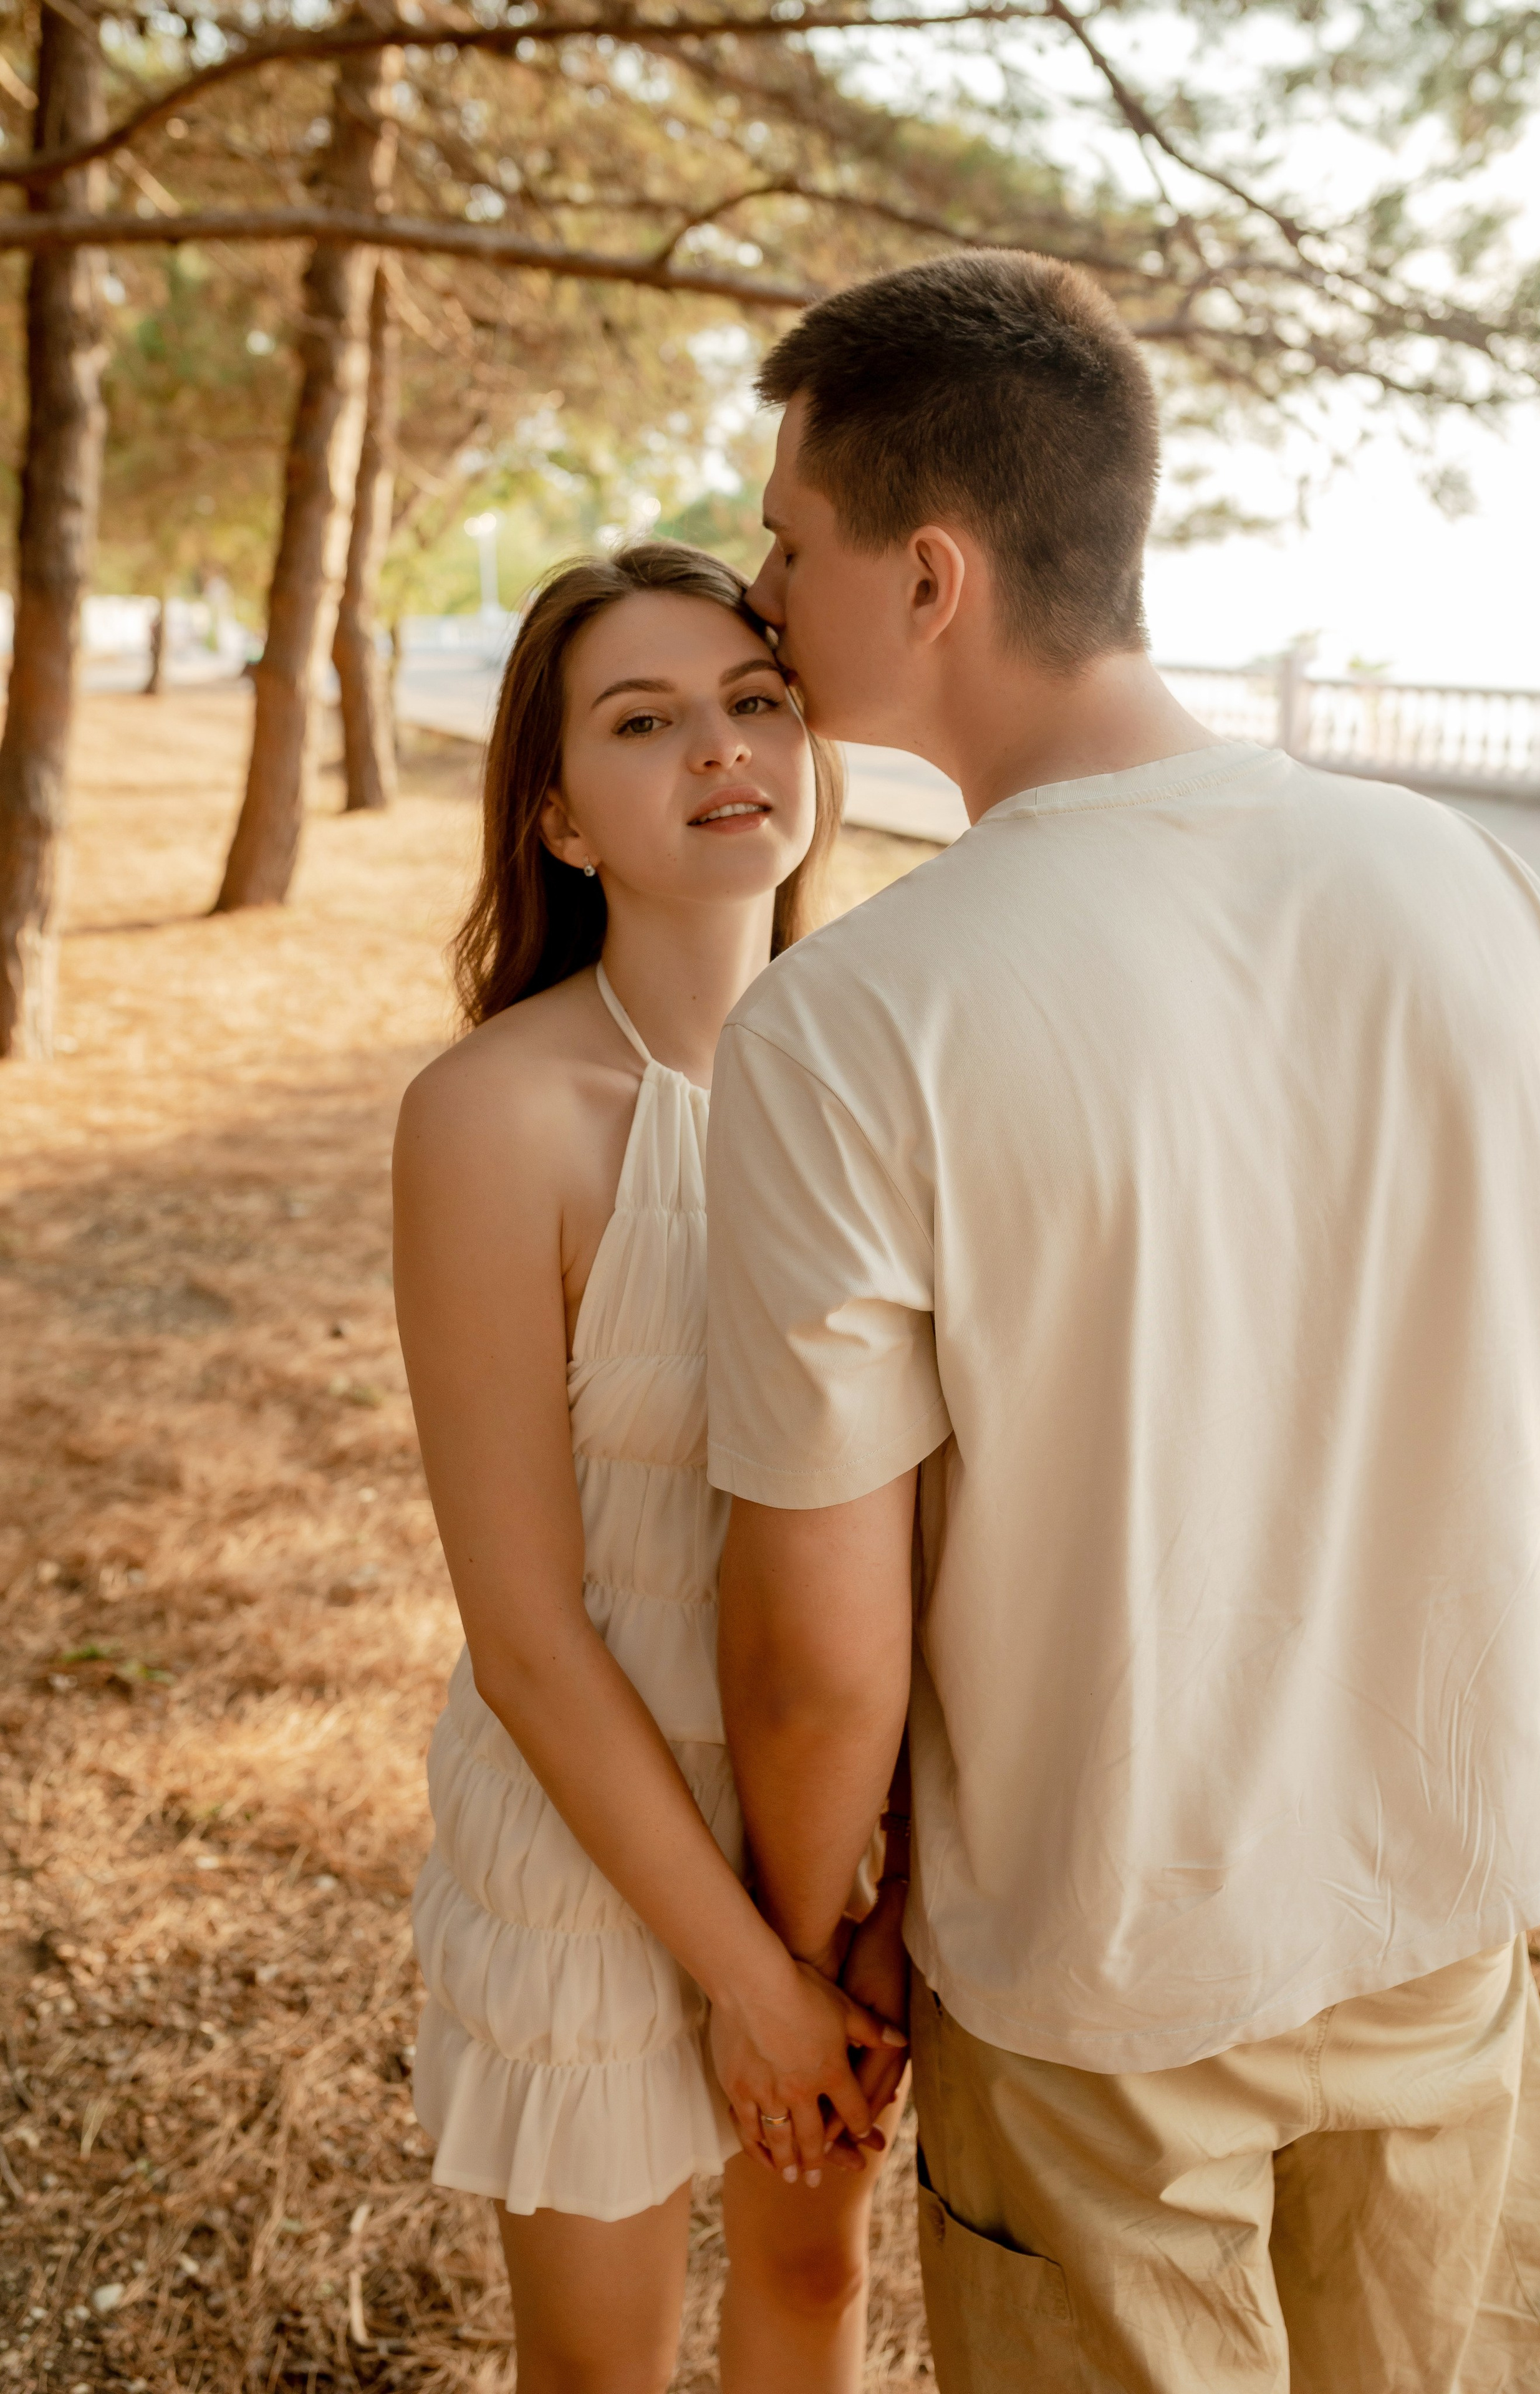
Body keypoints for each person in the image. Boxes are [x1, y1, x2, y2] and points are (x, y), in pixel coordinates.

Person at [705, 250, 1540, 2392]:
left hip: (1106, 1979)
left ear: (930, 578)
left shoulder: (849, 1026)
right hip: (1448, 1899)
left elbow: (820, 1661)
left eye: (788, 540)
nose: (758, 589)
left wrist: (812, 1952)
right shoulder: (1478, 892)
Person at [392, 541, 908, 2394]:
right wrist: (745, 1985)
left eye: (756, 700)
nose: (721, 749)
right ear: (560, 816)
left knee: (817, 2294)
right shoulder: (497, 1114)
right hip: (589, 1830)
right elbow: (525, 1634)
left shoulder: (887, 1072)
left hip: (827, 1811)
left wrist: (866, 1907)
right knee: (601, 2373)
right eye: (644, 722)